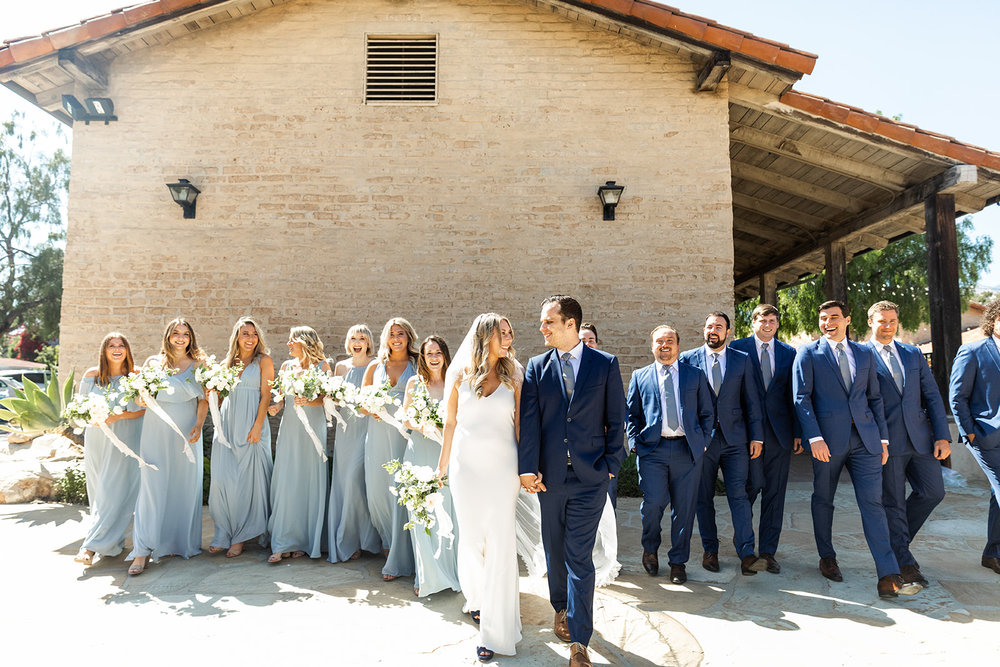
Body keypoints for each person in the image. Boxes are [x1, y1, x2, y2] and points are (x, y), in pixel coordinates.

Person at [519, 295, 626, 667]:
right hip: (550, 478)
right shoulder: (536, 367)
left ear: (570, 325)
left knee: (579, 556)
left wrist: (611, 465)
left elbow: (617, 419)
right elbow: (529, 422)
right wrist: (527, 469)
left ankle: (579, 641)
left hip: (590, 478)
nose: (542, 328)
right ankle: (560, 607)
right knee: (555, 549)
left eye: (549, 322)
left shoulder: (605, 364)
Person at [793, 300, 915, 598]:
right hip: (827, 443)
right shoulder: (808, 354)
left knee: (873, 504)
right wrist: (814, 438)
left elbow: (875, 399)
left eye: (834, 317)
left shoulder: (863, 353)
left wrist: (883, 440)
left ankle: (888, 575)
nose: (827, 322)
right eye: (822, 318)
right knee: (824, 499)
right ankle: (827, 556)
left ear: (847, 320)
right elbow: (801, 398)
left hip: (866, 441)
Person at [438, 313, 522, 662]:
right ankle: (477, 598)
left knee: (501, 545)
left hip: (504, 470)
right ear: (484, 336)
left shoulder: (515, 374)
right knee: (472, 542)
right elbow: (450, 423)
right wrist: (441, 468)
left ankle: (496, 631)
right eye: (501, 333)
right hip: (465, 470)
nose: (507, 338)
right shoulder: (458, 375)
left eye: (509, 333)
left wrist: (528, 471)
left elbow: (521, 426)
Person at [865, 301, 950, 586]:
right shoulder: (861, 356)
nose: (887, 326)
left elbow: (933, 396)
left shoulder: (912, 354)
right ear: (870, 323)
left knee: (933, 492)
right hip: (886, 441)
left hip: (921, 439)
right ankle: (904, 560)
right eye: (881, 321)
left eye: (892, 321)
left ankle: (894, 543)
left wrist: (942, 435)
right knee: (893, 503)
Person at [626, 325, 714, 585]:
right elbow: (631, 413)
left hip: (687, 450)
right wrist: (633, 442)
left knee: (684, 510)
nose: (665, 346)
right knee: (652, 504)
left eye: (670, 341)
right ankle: (650, 549)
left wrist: (704, 441)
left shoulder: (694, 375)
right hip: (653, 450)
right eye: (659, 342)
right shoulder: (640, 376)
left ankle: (678, 562)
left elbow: (708, 412)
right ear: (651, 346)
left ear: (678, 345)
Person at [680, 312, 764, 575]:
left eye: (718, 326)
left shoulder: (742, 360)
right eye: (709, 326)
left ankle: (747, 552)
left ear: (728, 331)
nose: (713, 330)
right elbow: (685, 404)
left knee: (738, 495)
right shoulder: (687, 360)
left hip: (735, 441)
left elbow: (752, 400)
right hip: (701, 443)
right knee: (703, 499)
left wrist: (757, 436)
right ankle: (710, 550)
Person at [127, 318, 208, 575]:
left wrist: (198, 425)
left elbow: (204, 400)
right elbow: (141, 398)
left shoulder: (199, 365)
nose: (181, 338)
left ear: (191, 338)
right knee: (152, 486)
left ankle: (176, 543)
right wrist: (140, 396)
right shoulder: (153, 363)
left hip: (187, 432)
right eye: (176, 333)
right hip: (155, 429)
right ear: (168, 336)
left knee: (183, 486)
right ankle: (141, 551)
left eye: (185, 334)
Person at [730, 304, 801, 574]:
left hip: (780, 433)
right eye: (762, 320)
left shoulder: (788, 353)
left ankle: (768, 552)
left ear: (777, 324)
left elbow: (794, 396)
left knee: (775, 493)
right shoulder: (737, 348)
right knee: (749, 487)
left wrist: (797, 432)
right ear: (753, 323)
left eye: (772, 320)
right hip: (747, 433)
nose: (767, 324)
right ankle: (745, 544)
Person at [74, 332, 145, 565]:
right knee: (99, 494)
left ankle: (89, 548)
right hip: (97, 441)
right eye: (111, 346)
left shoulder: (135, 376)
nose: (117, 349)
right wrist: (93, 419)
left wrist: (119, 415)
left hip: (126, 440)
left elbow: (145, 410)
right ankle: (111, 543)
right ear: (104, 351)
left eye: (121, 345)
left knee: (114, 493)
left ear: (127, 350)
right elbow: (79, 411)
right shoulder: (91, 376)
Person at [207, 317, 274, 558]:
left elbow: (266, 396)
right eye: (245, 333)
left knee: (248, 481)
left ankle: (242, 536)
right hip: (227, 424)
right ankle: (224, 531)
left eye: (254, 334)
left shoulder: (264, 361)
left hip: (251, 424)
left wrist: (257, 426)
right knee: (223, 480)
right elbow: (223, 397)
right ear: (237, 336)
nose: (250, 338)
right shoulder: (228, 363)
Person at [403, 336, 460, 597]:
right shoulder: (415, 383)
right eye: (429, 354)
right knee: (420, 514)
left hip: (446, 453)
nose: (434, 357)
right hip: (419, 453)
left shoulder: (455, 383)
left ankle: (451, 572)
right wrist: (424, 424)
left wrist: (441, 428)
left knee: (448, 511)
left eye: (438, 352)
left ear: (445, 355)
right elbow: (406, 417)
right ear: (423, 358)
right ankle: (425, 575)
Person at [266, 326, 329, 562]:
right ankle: (282, 541)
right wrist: (276, 406)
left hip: (313, 428)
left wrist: (311, 401)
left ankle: (304, 541)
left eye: (291, 340)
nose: (288, 344)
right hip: (290, 428)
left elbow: (326, 399)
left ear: (303, 342)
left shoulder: (322, 365)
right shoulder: (285, 367)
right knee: (287, 480)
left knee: (308, 480)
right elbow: (281, 398)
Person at [363, 317, 419, 581]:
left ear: (409, 337)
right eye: (392, 334)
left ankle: (404, 553)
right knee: (377, 492)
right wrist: (370, 407)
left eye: (401, 333)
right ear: (385, 338)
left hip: (406, 435)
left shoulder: (418, 364)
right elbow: (360, 402)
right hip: (377, 434)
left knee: (402, 491)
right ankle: (388, 542)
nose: (396, 338)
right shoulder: (375, 366)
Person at [949, 297, 1000, 577]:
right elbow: (957, 396)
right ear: (992, 320)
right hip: (984, 436)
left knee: (997, 493)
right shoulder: (972, 351)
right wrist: (969, 432)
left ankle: (993, 552)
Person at [327, 324, 381, 563]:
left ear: (369, 342)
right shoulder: (341, 366)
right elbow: (333, 399)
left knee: (357, 480)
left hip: (367, 427)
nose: (357, 342)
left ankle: (369, 539)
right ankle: (351, 539)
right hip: (346, 429)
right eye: (353, 338)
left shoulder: (376, 364)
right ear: (348, 342)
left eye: (362, 338)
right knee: (345, 481)